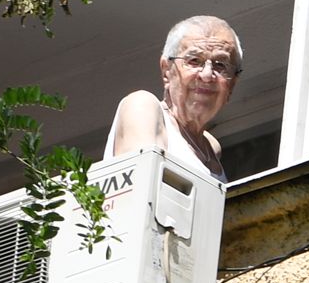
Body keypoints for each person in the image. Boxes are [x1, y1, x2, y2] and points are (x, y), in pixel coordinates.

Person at [103, 15, 244, 177]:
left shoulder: (211, 148)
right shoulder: (143, 108)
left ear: (232, 83)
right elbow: (141, 187)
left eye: (220, 65)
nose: (207, 75)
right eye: (194, 60)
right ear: (166, 71)